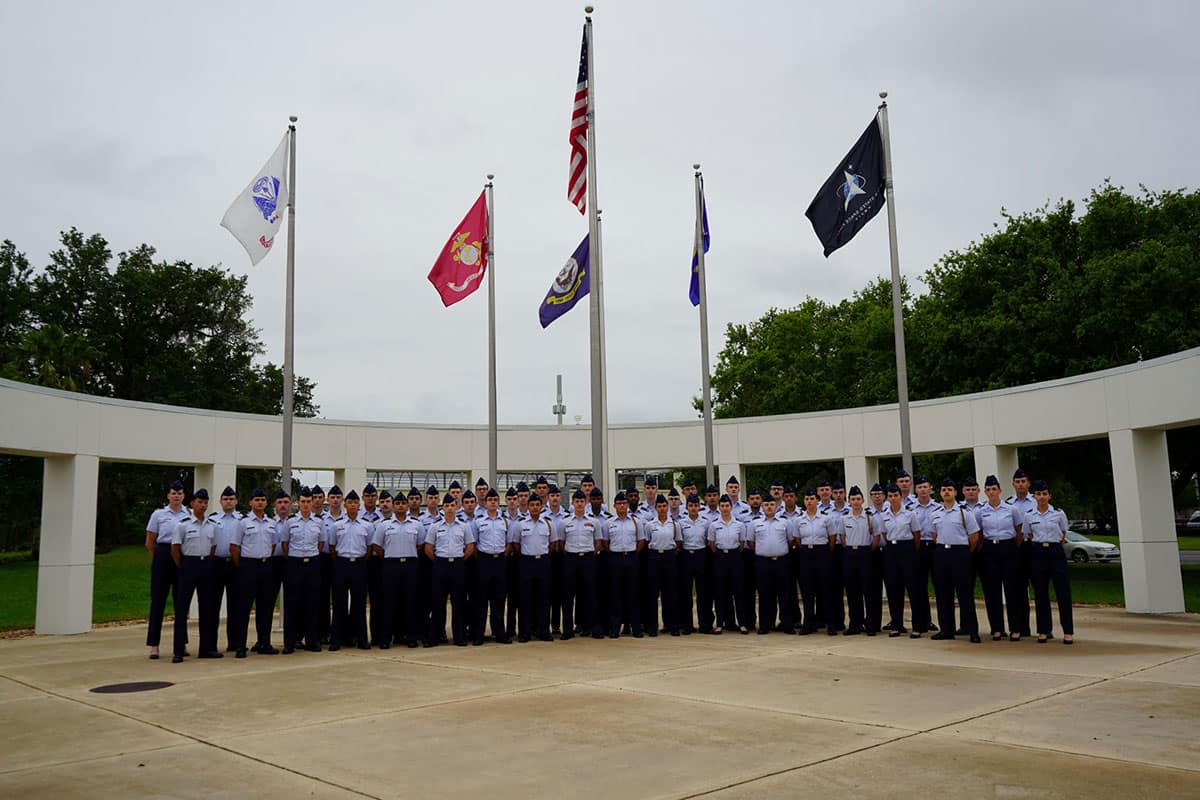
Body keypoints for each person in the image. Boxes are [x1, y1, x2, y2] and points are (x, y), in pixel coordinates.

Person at [928, 478, 982, 643]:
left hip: (961, 554)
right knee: (943, 594)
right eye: (943, 490)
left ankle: (972, 630)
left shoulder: (965, 513)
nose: (946, 492)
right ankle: (946, 629)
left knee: (965, 594)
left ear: (955, 492)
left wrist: (964, 552)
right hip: (942, 553)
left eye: (949, 490)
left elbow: (974, 537)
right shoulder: (936, 513)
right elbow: (934, 535)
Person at [371, 489, 426, 648]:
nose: (401, 506)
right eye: (398, 503)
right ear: (393, 506)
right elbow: (377, 546)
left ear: (407, 505)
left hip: (410, 565)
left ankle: (411, 637)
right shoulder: (384, 525)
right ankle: (386, 638)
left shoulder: (417, 524)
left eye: (403, 503)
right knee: (389, 603)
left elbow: (420, 545)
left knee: (410, 602)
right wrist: (389, 557)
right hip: (391, 566)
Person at [170, 489, 219, 663]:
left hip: (205, 565)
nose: (203, 505)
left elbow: (213, 547)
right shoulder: (183, 525)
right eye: (199, 502)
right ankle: (178, 650)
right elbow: (175, 549)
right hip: (188, 565)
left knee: (207, 609)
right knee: (182, 609)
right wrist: (183, 566)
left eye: (205, 502)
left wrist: (205, 562)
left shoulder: (211, 525)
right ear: (192, 504)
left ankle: (206, 648)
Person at [976, 474, 1027, 641]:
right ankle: (997, 628)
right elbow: (980, 533)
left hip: (1008, 548)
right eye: (989, 490)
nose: (992, 492)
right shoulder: (981, 511)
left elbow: (1019, 530)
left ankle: (1015, 628)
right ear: (985, 492)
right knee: (992, 591)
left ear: (1000, 490)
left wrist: (1013, 547)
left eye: (994, 489)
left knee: (1012, 590)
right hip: (990, 550)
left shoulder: (1011, 509)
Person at [1025, 480, 1074, 644]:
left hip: (1055, 552)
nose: (1042, 497)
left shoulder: (1058, 514)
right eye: (1038, 494)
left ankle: (1068, 631)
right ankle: (1043, 630)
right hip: (1038, 553)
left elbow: (1063, 533)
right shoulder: (1029, 515)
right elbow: (1028, 534)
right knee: (1040, 593)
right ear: (1034, 496)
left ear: (1049, 495)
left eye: (1044, 494)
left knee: (1063, 593)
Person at [145, 479, 189, 660]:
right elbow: (150, 541)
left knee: (181, 602)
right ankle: (154, 645)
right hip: (163, 555)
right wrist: (159, 557)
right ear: (168, 495)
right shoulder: (159, 514)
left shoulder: (189, 513)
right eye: (173, 493)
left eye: (179, 493)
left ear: (183, 495)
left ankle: (182, 643)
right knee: (158, 601)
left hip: (181, 555)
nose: (176, 496)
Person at [424, 493, 476, 647]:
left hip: (458, 566)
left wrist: (459, 559)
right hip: (440, 565)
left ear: (457, 506)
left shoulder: (464, 526)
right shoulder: (435, 527)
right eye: (447, 506)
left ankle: (459, 637)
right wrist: (439, 561)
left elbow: (470, 547)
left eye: (453, 505)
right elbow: (428, 548)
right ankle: (434, 637)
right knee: (438, 604)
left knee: (458, 603)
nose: (450, 508)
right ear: (443, 507)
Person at [231, 488, 279, 654]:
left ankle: (264, 643)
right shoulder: (243, 523)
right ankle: (240, 645)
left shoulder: (271, 523)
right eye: (256, 499)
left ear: (266, 503)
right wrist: (242, 566)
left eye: (262, 500)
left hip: (266, 566)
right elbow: (234, 547)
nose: (260, 502)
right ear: (250, 502)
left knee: (265, 607)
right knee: (243, 608)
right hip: (247, 566)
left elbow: (273, 545)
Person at [281, 487, 325, 654]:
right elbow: (285, 544)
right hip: (294, 564)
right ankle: (290, 643)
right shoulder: (290, 522)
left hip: (312, 564)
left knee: (312, 604)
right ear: (298, 503)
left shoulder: (319, 522)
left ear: (312, 502)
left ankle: (312, 641)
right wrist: (295, 557)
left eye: (309, 501)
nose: (306, 504)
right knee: (292, 605)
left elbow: (321, 544)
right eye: (303, 501)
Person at [329, 489, 373, 651]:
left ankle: (361, 639)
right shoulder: (337, 525)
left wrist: (359, 560)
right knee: (339, 604)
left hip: (359, 565)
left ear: (358, 505)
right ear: (345, 504)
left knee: (359, 605)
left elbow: (369, 548)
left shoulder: (367, 526)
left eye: (355, 502)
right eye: (350, 502)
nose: (353, 505)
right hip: (341, 564)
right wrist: (342, 560)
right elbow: (332, 547)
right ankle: (336, 640)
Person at [559, 489, 605, 639]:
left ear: (586, 503)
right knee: (568, 597)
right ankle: (567, 630)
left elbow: (598, 542)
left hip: (588, 560)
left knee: (590, 595)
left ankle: (592, 628)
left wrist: (590, 554)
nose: (579, 504)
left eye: (581, 501)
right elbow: (561, 543)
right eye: (576, 501)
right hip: (570, 560)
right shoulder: (565, 522)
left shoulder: (593, 521)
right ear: (572, 503)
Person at [880, 483, 922, 638]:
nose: (893, 498)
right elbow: (885, 534)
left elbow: (916, 535)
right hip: (891, 550)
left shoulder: (910, 514)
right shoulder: (884, 515)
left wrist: (911, 550)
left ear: (900, 496)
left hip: (907, 549)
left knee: (912, 589)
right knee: (893, 589)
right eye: (890, 496)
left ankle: (917, 626)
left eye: (896, 495)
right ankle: (896, 625)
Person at [748, 494, 795, 635]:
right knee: (764, 595)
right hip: (763, 563)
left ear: (776, 506)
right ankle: (765, 625)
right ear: (762, 507)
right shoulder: (755, 523)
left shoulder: (785, 522)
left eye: (772, 504)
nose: (769, 507)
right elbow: (751, 543)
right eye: (766, 505)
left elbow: (790, 541)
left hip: (781, 562)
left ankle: (787, 624)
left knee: (784, 595)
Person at [471, 488, 513, 645]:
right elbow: (474, 544)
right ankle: (479, 634)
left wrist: (502, 556)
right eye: (490, 500)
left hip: (500, 562)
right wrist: (482, 558)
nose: (493, 502)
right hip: (484, 561)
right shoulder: (478, 521)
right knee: (481, 600)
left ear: (498, 502)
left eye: (495, 500)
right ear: (486, 503)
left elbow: (508, 543)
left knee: (499, 599)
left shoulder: (505, 521)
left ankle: (499, 633)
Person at [515, 493, 557, 642]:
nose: (534, 508)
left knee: (544, 599)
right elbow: (516, 544)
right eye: (531, 505)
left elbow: (552, 544)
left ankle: (544, 631)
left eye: (537, 505)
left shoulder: (548, 524)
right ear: (528, 506)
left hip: (543, 563)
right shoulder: (521, 524)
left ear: (541, 506)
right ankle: (524, 633)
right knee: (525, 599)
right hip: (526, 562)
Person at [792, 488, 833, 635]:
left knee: (826, 590)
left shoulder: (826, 518)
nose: (809, 501)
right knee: (807, 591)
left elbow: (832, 539)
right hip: (806, 554)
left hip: (822, 553)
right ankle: (808, 624)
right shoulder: (799, 520)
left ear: (817, 501)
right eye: (807, 499)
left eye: (812, 499)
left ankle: (830, 624)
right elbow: (797, 539)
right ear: (804, 501)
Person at [839, 486, 878, 635]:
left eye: (858, 499)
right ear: (849, 501)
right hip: (850, 553)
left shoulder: (870, 517)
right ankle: (855, 624)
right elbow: (842, 538)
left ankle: (871, 625)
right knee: (852, 591)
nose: (856, 502)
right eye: (853, 499)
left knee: (868, 591)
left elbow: (876, 537)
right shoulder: (844, 518)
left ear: (862, 500)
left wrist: (867, 550)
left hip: (865, 553)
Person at [606, 491, 644, 637]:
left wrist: (632, 553)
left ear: (627, 505)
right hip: (615, 559)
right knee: (616, 594)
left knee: (633, 593)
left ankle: (636, 628)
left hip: (631, 558)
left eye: (624, 503)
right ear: (614, 506)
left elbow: (641, 541)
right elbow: (605, 542)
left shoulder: (635, 521)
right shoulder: (609, 522)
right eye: (619, 504)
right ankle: (615, 628)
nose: (622, 506)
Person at [708, 494, 748, 634]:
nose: (725, 508)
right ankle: (719, 623)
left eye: (727, 506)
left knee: (738, 592)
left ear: (731, 507)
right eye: (723, 506)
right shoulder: (714, 525)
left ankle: (742, 623)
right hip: (720, 557)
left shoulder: (739, 525)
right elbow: (712, 544)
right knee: (720, 592)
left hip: (735, 557)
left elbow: (742, 544)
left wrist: (732, 553)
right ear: (719, 508)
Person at [210, 486, 242, 653]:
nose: (228, 501)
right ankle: (211, 644)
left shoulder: (242, 519)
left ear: (236, 501)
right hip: (217, 564)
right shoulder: (213, 519)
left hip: (235, 564)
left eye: (231, 499)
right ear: (221, 501)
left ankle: (235, 642)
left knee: (235, 606)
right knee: (213, 605)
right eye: (225, 499)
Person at [643, 495, 681, 636]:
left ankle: (672, 625)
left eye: (664, 506)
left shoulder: (675, 524)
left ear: (667, 507)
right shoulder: (650, 525)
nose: (662, 509)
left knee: (670, 593)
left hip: (669, 558)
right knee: (653, 594)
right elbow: (647, 542)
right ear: (656, 508)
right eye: (659, 506)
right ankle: (652, 626)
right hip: (654, 558)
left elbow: (678, 542)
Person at [1006, 469, 1037, 639]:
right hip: (1017, 548)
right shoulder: (1009, 504)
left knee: (1039, 588)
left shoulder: (1036, 501)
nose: (1020, 485)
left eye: (1023, 481)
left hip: (1034, 548)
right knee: (1018, 589)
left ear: (1028, 483)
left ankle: (1044, 629)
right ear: (1013, 484)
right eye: (1017, 482)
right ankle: (1021, 627)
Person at [907, 476, 938, 632]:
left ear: (930, 488)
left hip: (935, 548)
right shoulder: (911, 509)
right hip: (918, 548)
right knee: (918, 587)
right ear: (916, 490)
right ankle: (921, 623)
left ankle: (943, 623)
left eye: (925, 487)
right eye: (920, 487)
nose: (923, 490)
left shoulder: (938, 507)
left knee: (940, 586)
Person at [678, 494, 713, 634]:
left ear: (699, 507)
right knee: (685, 593)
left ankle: (705, 624)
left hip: (701, 555)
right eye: (690, 505)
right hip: (686, 556)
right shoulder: (681, 523)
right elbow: (679, 541)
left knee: (703, 592)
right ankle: (687, 625)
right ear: (686, 507)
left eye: (695, 505)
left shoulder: (705, 522)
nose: (693, 508)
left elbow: (707, 540)